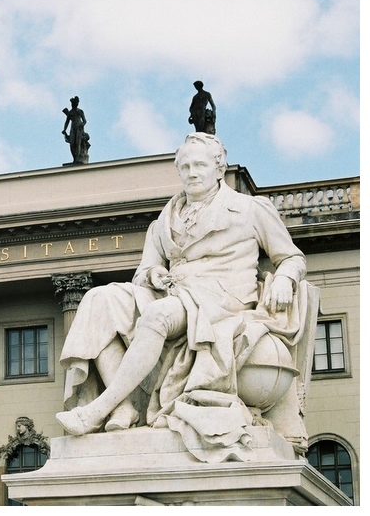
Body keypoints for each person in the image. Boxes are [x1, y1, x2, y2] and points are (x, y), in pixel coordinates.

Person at [56, 133, 307, 460]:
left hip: (222, 299)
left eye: (200, 164)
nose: (192, 172)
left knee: (156, 316)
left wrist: (285, 279)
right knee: (98, 302)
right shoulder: (164, 220)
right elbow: (144, 270)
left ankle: (98, 409)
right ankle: (124, 406)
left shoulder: (250, 209)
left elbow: (292, 257)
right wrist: (153, 274)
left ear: (219, 168)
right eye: (185, 166)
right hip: (175, 293)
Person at [62, 96, 89, 164]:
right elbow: (67, 122)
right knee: (72, 144)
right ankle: (74, 159)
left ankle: (77, 159)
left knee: (77, 143)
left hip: (79, 128)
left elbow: (84, 121)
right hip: (72, 128)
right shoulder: (70, 113)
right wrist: (64, 129)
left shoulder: (80, 111)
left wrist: (82, 124)